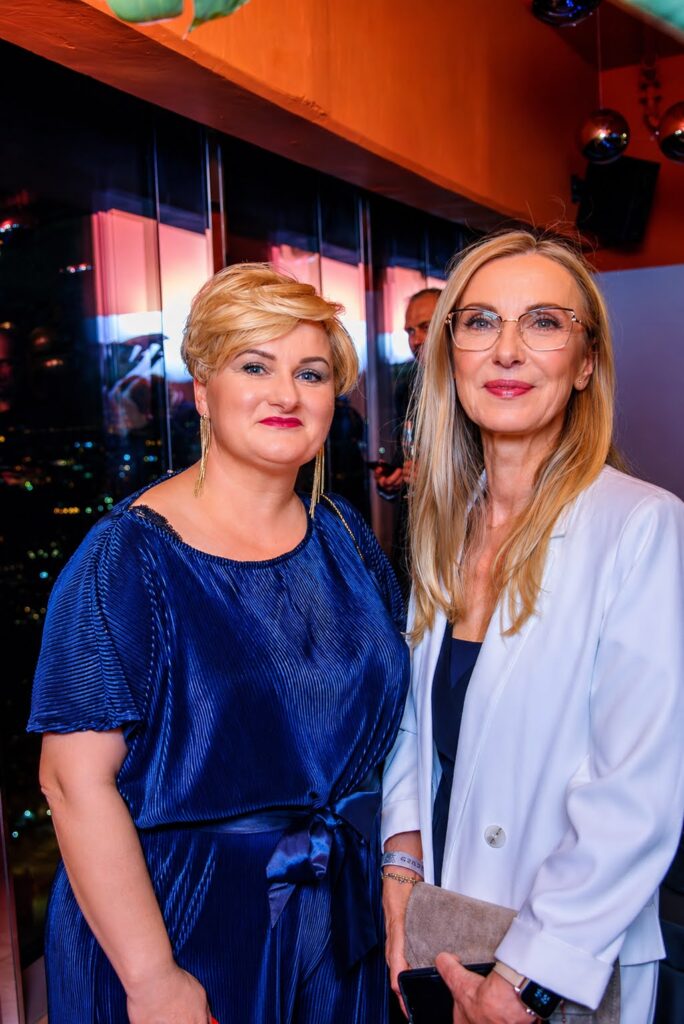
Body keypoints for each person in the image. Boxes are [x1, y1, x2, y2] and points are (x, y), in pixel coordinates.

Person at [28, 263, 410, 1024]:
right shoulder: (126, 558)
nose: (285, 395)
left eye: (310, 373)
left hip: (339, 916)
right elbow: (72, 783)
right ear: (202, 390)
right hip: (179, 920)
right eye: (254, 367)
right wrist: (153, 978)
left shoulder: (345, 535)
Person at [380, 230, 684, 1024]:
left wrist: (523, 980)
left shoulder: (641, 525)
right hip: (444, 938)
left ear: (585, 363)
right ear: (450, 356)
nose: (507, 350)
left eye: (544, 322)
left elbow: (637, 794)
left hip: (558, 968)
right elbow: (414, 728)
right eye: (480, 322)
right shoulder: (446, 525)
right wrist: (399, 877)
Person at [374, 288, 441, 597]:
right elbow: (408, 459)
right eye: (410, 331)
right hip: (411, 549)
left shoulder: (477, 391)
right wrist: (392, 482)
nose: (416, 340)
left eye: (425, 327)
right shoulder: (408, 388)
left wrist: (435, 479)